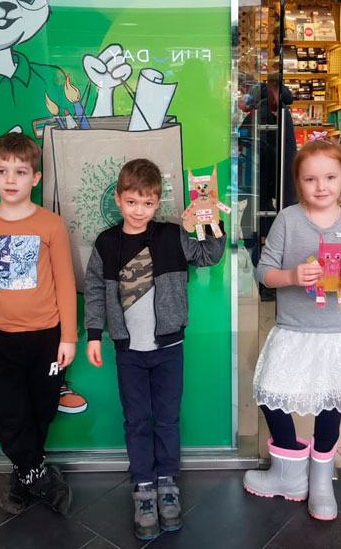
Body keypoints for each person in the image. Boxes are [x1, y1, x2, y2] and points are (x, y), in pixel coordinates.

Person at [84, 158, 226, 540]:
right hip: (128, 352)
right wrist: (94, 334)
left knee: (166, 419)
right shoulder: (106, 243)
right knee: (136, 420)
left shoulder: (172, 235)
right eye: (131, 202)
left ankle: (167, 484)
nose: (139, 210)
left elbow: (209, 255)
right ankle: (143, 488)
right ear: (118, 199)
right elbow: (94, 289)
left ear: (157, 202)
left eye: (147, 203)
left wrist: (209, 220)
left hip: (168, 348)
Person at [243, 136, 341, 521]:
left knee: (329, 404)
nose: (321, 187)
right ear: (298, 182)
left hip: (338, 333)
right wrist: (292, 276)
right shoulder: (287, 219)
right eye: (311, 179)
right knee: (269, 392)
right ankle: (289, 472)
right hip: (293, 328)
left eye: (330, 177)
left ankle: (320, 482)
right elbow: (263, 271)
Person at [0, 132, 77, 516]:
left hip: (46, 337)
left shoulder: (51, 225)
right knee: (8, 411)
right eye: (2, 171)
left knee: (41, 409)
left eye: (21, 172)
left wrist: (69, 337)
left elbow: (65, 282)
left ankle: (23, 474)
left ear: (35, 178)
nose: (11, 179)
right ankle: (39, 477)